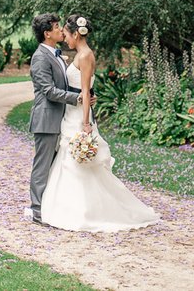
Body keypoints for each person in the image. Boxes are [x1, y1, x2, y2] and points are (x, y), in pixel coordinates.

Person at [40, 14, 161, 232]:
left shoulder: (85, 56)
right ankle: (67, 207)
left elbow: (86, 92)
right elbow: (82, 91)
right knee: (69, 162)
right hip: (72, 111)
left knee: (78, 163)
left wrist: (85, 124)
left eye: (67, 35)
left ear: (76, 34)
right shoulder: (80, 54)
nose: (65, 39)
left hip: (79, 116)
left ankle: (87, 211)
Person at [27, 12, 88, 225]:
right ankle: (37, 210)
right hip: (46, 120)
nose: (60, 29)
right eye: (56, 27)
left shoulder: (56, 53)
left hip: (59, 119)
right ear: (47, 33)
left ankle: (50, 207)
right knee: (42, 166)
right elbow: (49, 91)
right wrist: (78, 98)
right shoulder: (40, 57)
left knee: (55, 167)